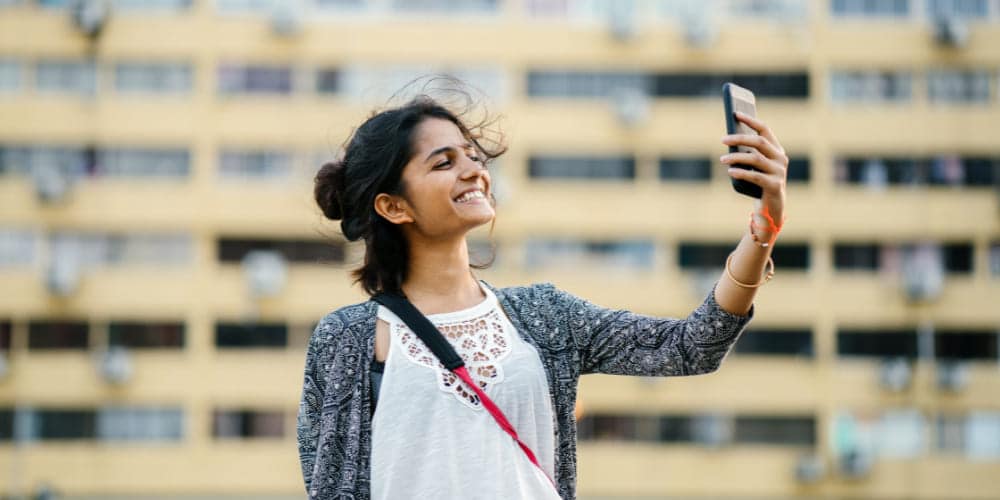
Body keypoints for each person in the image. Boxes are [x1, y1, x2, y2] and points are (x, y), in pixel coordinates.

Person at [297, 86, 788, 500]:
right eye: (443, 163)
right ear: (394, 206)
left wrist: (763, 228)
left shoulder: (544, 315)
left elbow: (690, 347)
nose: (473, 170)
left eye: (473, 156)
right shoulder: (349, 338)